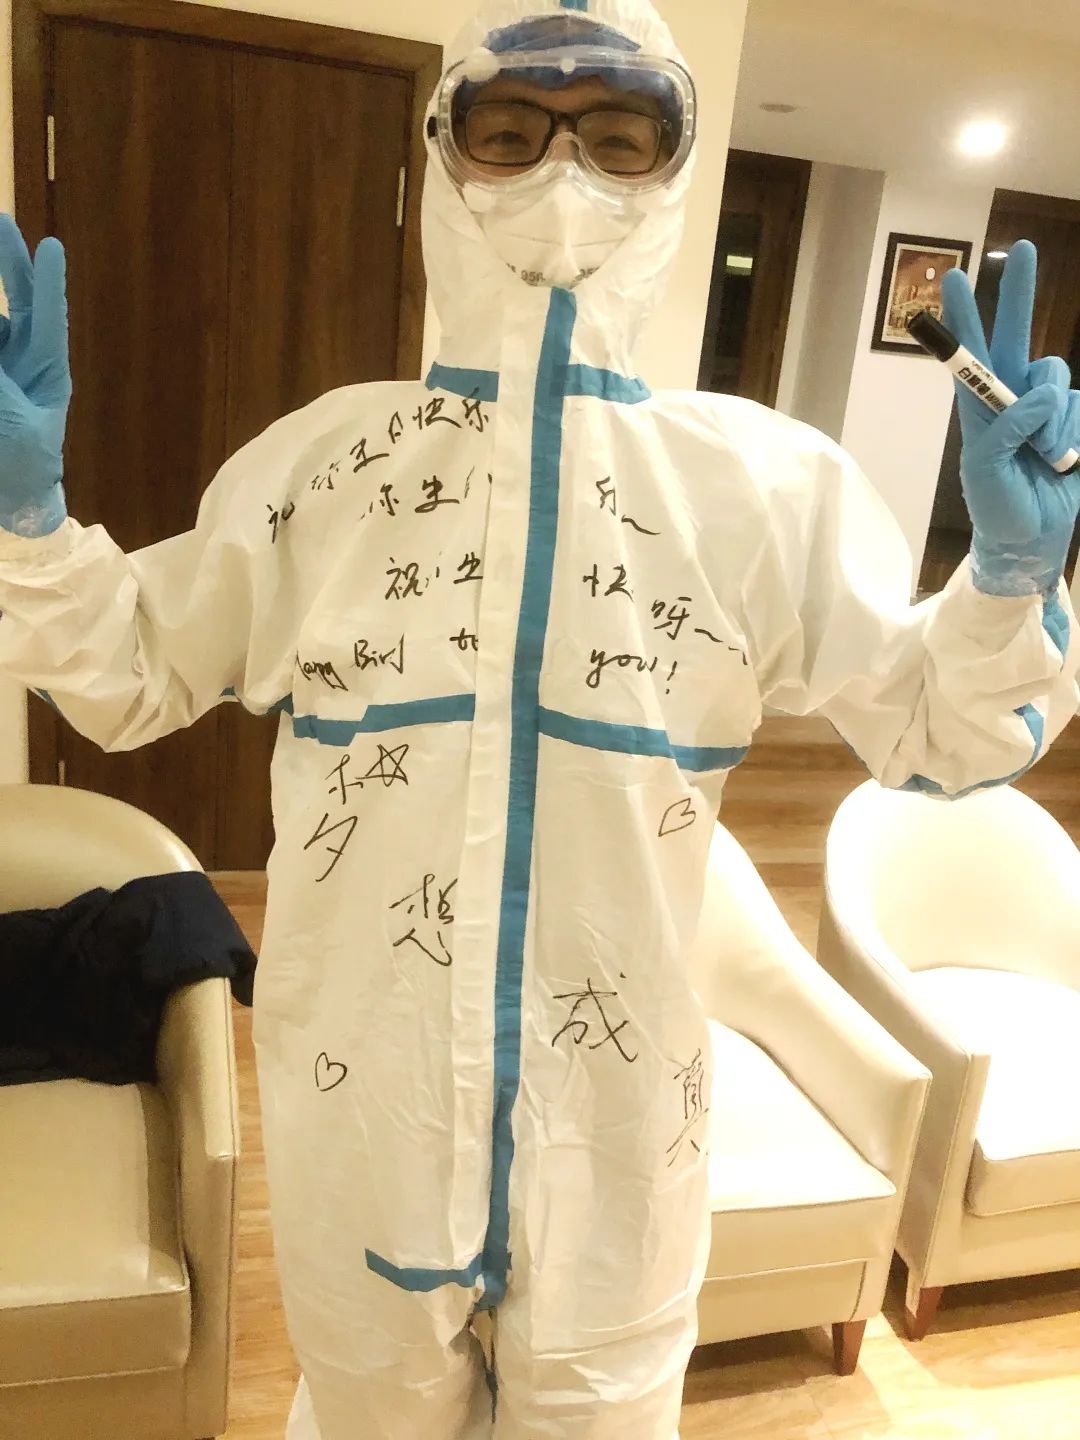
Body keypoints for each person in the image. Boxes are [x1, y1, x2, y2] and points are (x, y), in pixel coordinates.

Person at [0, 1, 1078, 1436]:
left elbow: (943, 736)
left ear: (674, 165)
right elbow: (130, 672)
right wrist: (28, 523)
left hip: (616, 1142)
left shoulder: (763, 491)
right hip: (363, 1113)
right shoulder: (327, 467)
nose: (564, 172)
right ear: (444, 155)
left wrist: (1007, 583)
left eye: (618, 135)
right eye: (511, 131)